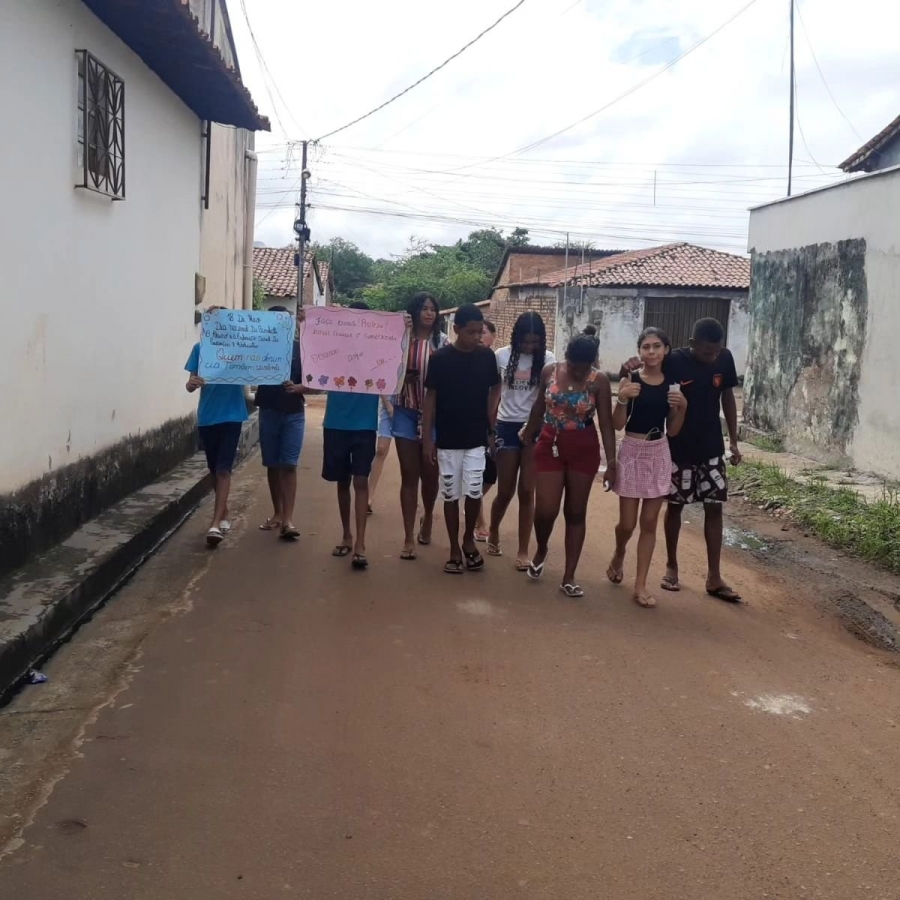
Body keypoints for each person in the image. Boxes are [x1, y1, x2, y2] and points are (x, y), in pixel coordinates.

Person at [621, 317, 743, 601]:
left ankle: (714, 576)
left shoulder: (724, 358)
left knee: (715, 507)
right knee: (675, 507)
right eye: (705, 352)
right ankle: (671, 566)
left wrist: (733, 441)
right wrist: (626, 367)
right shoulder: (674, 361)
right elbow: (645, 369)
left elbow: (728, 397)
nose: (711, 357)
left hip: (712, 444)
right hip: (677, 446)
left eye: (715, 352)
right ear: (692, 345)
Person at [521, 334, 617, 597]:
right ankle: (541, 549)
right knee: (545, 510)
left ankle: (569, 576)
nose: (578, 371)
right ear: (567, 357)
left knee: (575, 512)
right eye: (574, 365)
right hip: (550, 442)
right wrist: (528, 432)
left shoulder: (600, 381)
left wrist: (612, 462)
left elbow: (607, 425)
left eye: (584, 366)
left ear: (592, 362)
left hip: (583, 447)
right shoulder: (550, 371)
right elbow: (539, 407)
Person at [606, 328, 687, 608]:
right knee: (627, 524)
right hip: (631, 450)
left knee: (649, 523)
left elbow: (674, 430)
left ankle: (640, 585)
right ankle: (619, 553)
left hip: (659, 452)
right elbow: (617, 424)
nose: (651, 352)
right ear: (639, 351)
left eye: (656, 347)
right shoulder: (632, 379)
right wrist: (622, 397)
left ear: (666, 350)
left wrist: (682, 408)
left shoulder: (673, 385)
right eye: (645, 347)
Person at [422, 304, 501, 575]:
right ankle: (455, 548)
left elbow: (496, 386)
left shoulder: (486, 357)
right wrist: (427, 438)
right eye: (471, 332)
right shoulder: (440, 359)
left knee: (474, 491)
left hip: (477, 438)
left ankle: (469, 540)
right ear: (456, 330)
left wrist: (490, 422)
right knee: (451, 494)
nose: (477, 337)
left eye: (480, 332)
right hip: (447, 439)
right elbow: (430, 397)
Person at [487, 312, 556, 570]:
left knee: (527, 491)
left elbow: (549, 398)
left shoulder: (549, 360)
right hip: (506, 426)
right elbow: (494, 395)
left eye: (534, 342)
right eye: (525, 342)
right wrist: (490, 430)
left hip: (535, 428)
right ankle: (493, 531)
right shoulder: (501, 356)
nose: (529, 347)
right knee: (505, 490)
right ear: (517, 338)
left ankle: (523, 550)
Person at [321, 301, 380, 570]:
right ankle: (346, 534)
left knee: (360, 480)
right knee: (342, 481)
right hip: (336, 423)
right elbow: (313, 348)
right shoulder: (333, 348)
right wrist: (304, 323)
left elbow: (398, 360)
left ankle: (360, 543)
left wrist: (405, 329)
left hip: (365, 424)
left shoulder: (379, 350)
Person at [185, 311, 248, 547]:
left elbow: (259, 368)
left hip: (232, 416)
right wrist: (192, 383)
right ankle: (224, 512)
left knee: (223, 469)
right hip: (208, 417)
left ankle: (214, 523)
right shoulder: (199, 349)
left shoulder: (240, 350)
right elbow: (190, 385)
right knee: (213, 469)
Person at [393, 292, 448, 559]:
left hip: (435, 417)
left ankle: (427, 516)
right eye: (424, 308)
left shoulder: (443, 343)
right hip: (404, 410)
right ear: (414, 311)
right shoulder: (400, 340)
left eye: (433, 309)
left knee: (431, 473)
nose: (429, 313)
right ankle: (407, 537)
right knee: (408, 475)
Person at [255, 306, 310, 541]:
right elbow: (236, 358)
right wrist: (216, 319)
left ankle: (288, 519)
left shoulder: (301, 348)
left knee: (289, 464)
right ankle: (278, 512)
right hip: (268, 410)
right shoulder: (258, 346)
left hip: (293, 413)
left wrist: (299, 388)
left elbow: (315, 379)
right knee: (272, 464)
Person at [475, 319, 498, 541]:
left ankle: (473, 501)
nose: (480, 337)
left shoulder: (498, 359)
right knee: (477, 471)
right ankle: (479, 520)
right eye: (476, 332)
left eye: (483, 332)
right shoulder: (469, 358)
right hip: (474, 423)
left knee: (491, 474)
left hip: (496, 423)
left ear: (493, 336)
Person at [367, 395, 394, 515]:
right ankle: (369, 496)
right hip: (389, 404)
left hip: (410, 406)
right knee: (381, 449)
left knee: (412, 454)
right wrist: (388, 406)